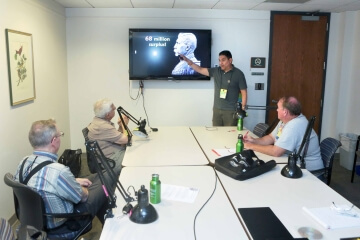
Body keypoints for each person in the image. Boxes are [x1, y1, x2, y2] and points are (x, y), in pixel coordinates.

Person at [13, 119, 112, 239]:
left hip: (34, 222)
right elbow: (84, 196)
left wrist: (73, 181)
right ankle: (110, 228)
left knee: (97, 176)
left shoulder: (23, 162)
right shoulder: (59, 171)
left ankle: (108, 226)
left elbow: (43, 183)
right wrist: (78, 186)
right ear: (54, 141)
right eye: (60, 135)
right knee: (105, 180)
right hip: (64, 225)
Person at [243, 96, 323, 172]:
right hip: (292, 164)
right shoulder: (284, 121)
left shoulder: (294, 125)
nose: (276, 110)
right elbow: (271, 138)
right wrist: (253, 140)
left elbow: (276, 152)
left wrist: (251, 146)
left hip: (309, 172)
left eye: (278, 108)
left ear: (285, 112)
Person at [181, 50, 247, 126]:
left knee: (230, 134)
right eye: (219, 60)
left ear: (230, 60)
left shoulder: (238, 74)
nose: (220, 63)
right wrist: (189, 62)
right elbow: (201, 69)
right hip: (217, 110)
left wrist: (242, 108)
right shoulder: (216, 71)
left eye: (223, 60)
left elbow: (244, 92)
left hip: (231, 111)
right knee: (216, 133)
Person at [87, 98, 128, 175]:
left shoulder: (98, 121)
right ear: (108, 114)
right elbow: (125, 140)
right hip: (110, 160)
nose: (115, 108)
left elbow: (116, 138)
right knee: (134, 160)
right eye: (113, 108)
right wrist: (124, 124)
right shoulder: (103, 126)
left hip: (109, 155)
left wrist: (120, 127)